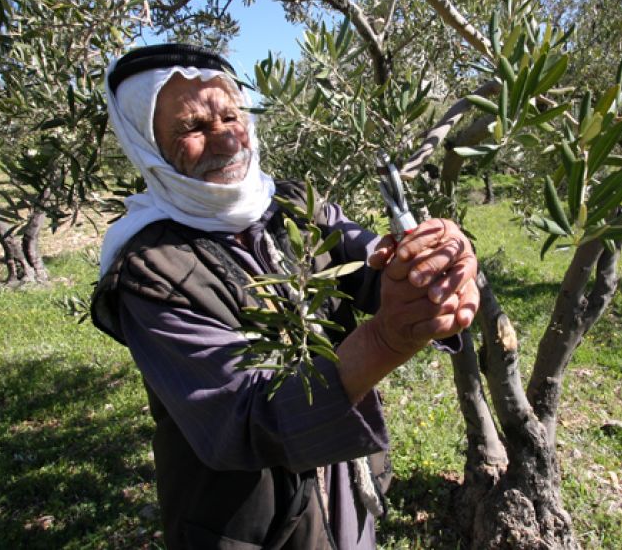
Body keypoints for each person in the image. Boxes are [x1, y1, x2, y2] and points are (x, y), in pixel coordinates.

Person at [90, 44, 479, 549]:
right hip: (254, 525)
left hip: (342, 485)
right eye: (192, 128)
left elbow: (369, 265)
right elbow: (243, 420)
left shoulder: (292, 204)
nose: (226, 138)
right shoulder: (147, 271)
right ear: (147, 146)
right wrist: (385, 340)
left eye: (231, 115)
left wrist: (428, 269)